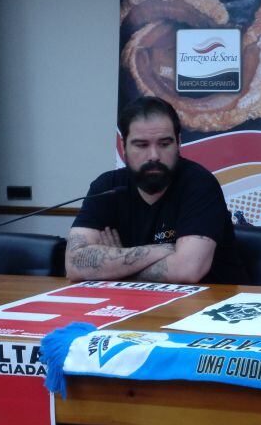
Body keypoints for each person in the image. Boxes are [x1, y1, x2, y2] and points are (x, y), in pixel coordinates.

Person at [66, 96, 244, 284]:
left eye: (164, 144)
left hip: (208, 305)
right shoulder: (106, 187)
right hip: (132, 303)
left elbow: (187, 271)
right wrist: (164, 249)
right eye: (141, 145)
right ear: (123, 146)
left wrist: (112, 268)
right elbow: (74, 265)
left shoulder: (199, 184)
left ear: (178, 144)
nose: (154, 155)